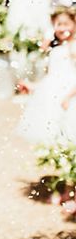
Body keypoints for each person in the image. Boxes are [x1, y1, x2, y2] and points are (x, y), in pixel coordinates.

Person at [18, 8, 76, 144]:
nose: (61, 28)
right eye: (58, 24)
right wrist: (33, 87)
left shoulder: (73, 47)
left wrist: (68, 97)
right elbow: (52, 75)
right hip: (53, 92)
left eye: (65, 24)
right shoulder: (56, 46)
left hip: (68, 93)